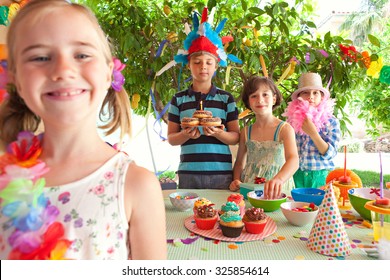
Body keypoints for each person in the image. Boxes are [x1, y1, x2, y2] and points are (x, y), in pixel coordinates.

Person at [0, 0, 166, 260]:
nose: (63, 70)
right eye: (40, 57)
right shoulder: (4, 178)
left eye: (81, 55)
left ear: (108, 72)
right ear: (18, 81)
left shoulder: (136, 186)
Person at [164, 7, 241, 189]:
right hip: (188, 172)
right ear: (189, 65)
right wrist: (184, 134)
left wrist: (218, 132)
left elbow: (236, 137)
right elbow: (172, 138)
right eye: (197, 62)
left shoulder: (226, 99)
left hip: (221, 173)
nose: (203, 67)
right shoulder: (179, 99)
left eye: (209, 62)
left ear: (216, 66)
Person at [229, 76, 299, 199]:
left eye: (265, 94)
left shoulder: (285, 129)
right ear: (248, 102)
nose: (260, 100)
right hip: (250, 189)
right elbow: (239, 162)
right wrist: (236, 180)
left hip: (278, 187)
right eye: (254, 96)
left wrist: (279, 179)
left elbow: (293, 160)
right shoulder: (246, 131)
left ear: (274, 99)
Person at [283, 72, 341, 188]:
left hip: (320, 176)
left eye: (315, 93)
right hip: (295, 175)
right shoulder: (290, 121)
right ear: (299, 96)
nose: (311, 96)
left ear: (322, 97)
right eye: (306, 92)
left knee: (319, 205)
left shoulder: (331, 122)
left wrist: (313, 133)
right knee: (295, 205)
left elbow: (330, 153)